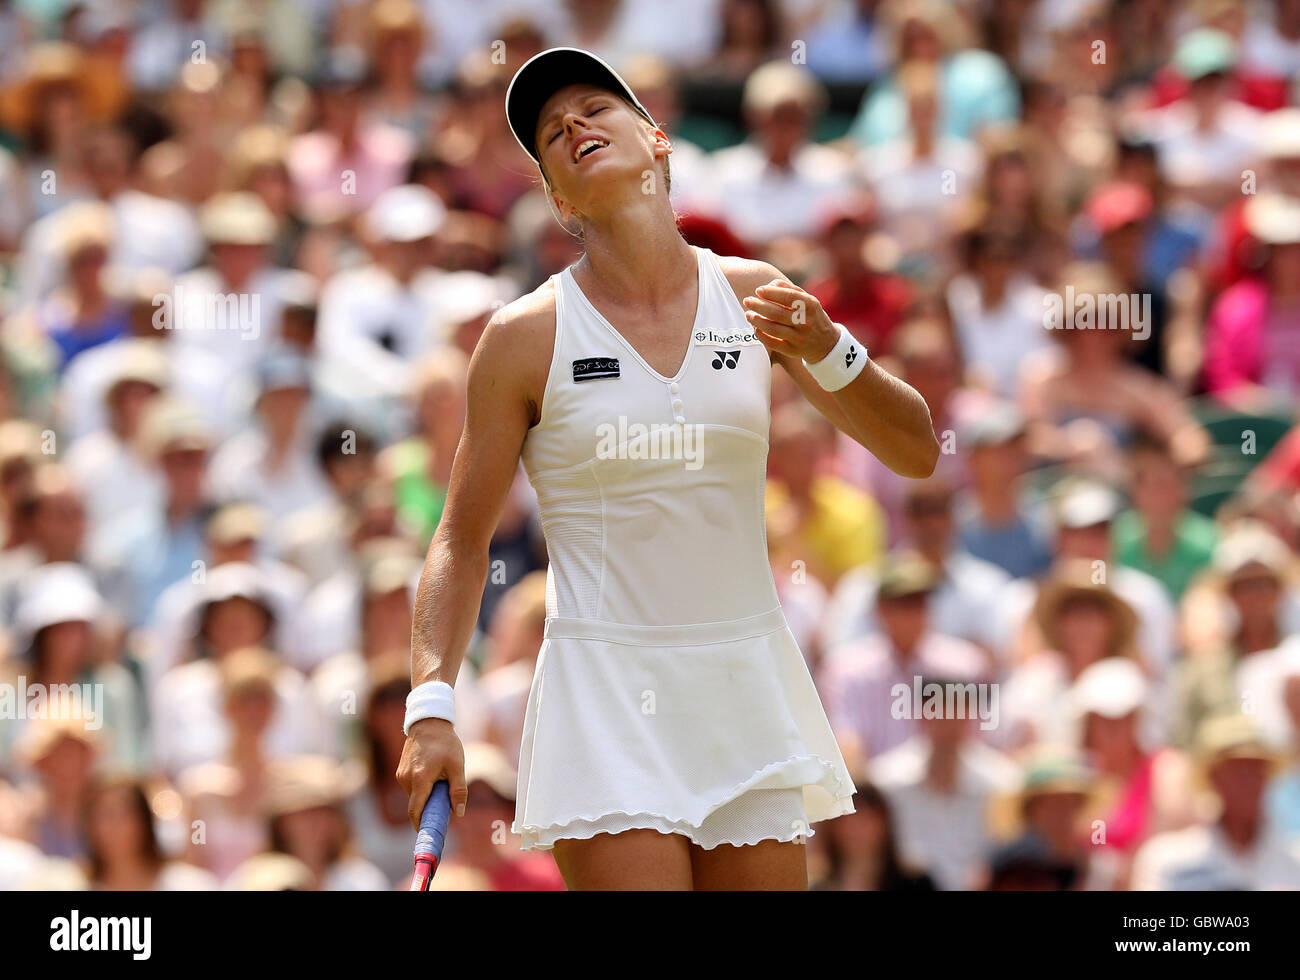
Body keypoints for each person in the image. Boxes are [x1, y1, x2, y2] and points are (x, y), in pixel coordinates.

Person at [398, 47, 939, 892]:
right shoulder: (521, 338)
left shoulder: (760, 295)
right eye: (552, 131)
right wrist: (430, 705)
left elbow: (916, 450)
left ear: (657, 141)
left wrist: (833, 351)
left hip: (745, 688)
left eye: (594, 108)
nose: (574, 125)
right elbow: (460, 540)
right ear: (557, 197)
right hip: (604, 698)